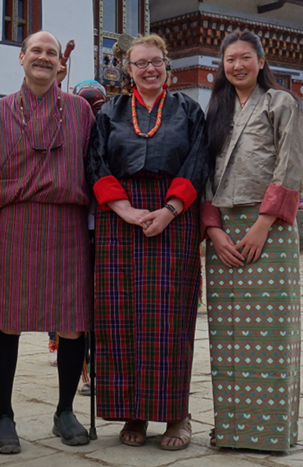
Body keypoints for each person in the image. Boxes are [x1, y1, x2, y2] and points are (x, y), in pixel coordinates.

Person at [87, 33, 209, 450]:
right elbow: (96, 162)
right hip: (120, 217)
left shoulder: (188, 110)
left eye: (156, 61)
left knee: (170, 317)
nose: (149, 69)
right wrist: (124, 210)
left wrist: (171, 209)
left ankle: (177, 414)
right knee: (120, 316)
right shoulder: (110, 112)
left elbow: (198, 162)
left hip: (172, 216)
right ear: (128, 69)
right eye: (140, 63)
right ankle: (133, 411)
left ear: (167, 66)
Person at [0, 30, 95, 454]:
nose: (44, 58)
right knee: (8, 321)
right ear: (22, 59)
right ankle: (4, 416)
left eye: (51, 53)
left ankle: (65, 410)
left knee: (71, 322)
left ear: (59, 64)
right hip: (16, 223)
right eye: (36, 51)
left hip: (66, 223)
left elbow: (94, 165)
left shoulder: (82, 111)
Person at [202, 30, 303, 452]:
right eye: (230, 60)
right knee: (226, 335)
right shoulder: (217, 109)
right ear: (222, 67)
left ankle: (270, 433)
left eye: (245, 57)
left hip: (271, 229)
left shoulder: (282, 103)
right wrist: (212, 229)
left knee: (270, 334)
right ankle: (231, 429)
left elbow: (291, 165)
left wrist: (263, 224)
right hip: (223, 231)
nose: (238, 65)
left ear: (262, 62)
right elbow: (203, 170)